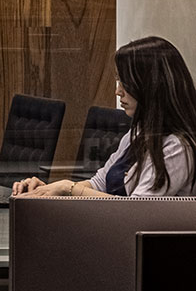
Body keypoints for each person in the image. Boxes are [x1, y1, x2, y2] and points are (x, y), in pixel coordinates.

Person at [13, 37, 196, 199]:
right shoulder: (139, 132)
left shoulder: (177, 147)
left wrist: (68, 188)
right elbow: (99, 184)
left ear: (151, 87)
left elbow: (138, 210)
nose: (118, 91)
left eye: (125, 83)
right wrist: (48, 190)